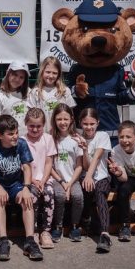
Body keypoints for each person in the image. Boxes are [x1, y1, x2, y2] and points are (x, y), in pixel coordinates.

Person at [0, 115, 43, 261]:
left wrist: (26, 187)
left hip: (16, 184)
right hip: (0, 183)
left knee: (27, 200)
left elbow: (27, 167)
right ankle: (3, 240)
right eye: (10, 134)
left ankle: (30, 241)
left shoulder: (21, 144)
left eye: (16, 132)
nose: (15, 136)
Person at [78, 108, 124, 253]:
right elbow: (86, 165)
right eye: (85, 124)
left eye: (92, 123)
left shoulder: (102, 135)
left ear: (98, 123)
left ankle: (105, 234)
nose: (89, 127)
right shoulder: (79, 138)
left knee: (99, 192)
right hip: (85, 177)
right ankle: (86, 219)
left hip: (102, 177)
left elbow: (98, 157)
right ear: (80, 123)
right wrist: (84, 150)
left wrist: (89, 176)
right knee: (86, 188)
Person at [48, 104, 84, 243]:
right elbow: (49, 165)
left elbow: (79, 166)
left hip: (73, 179)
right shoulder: (51, 139)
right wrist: (62, 182)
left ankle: (75, 226)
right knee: (59, 196)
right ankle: (58, 226)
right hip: (57, 179)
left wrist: (69, 184)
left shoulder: (76, 139)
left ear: (71, 120)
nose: (62, 122)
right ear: (54, 120)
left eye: (65, 119)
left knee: (78, 196)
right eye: (59, 119)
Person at [23, 108, 57, 249]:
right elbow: (23, 165)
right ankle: (34, 231)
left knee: (49, 193)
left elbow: (49, 162)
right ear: (26, 124)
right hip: (28, 179)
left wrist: (43, 180)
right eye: (32, 126)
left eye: (39, 126)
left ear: (44, 125)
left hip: (44, 178)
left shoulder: (48, 139)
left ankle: (46, 231)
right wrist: (33, 181)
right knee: (33, 197)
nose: (35, 129)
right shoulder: (22, 141)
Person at [27, 56, 76, 134]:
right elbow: (31, 116)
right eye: (48, 72)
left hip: (61, 135)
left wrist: (72, 132)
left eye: (54, 73)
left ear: (59, 74)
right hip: (42, 135)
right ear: (42, 71)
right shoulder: (35, 92)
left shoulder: (65, 91)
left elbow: (71, 115)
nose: (51, 76)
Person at [0, 61, 30, 137]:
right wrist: (2, 138)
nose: (17, 79)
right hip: (6, 140)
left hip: (25, 139)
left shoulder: (29, 93)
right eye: (15, 75)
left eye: (21, 77)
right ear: (8, 73)